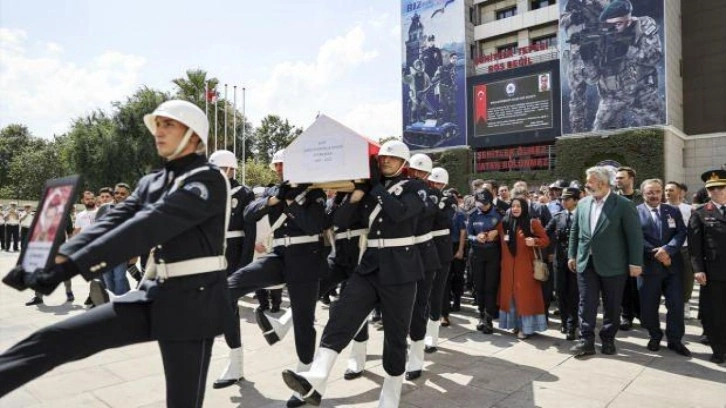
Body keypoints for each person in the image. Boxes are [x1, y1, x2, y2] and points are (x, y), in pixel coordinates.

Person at [0, 99, 232, 407]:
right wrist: (57, 259)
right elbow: (112, 221)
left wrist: (70, 267)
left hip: (194, 303)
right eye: (157, 125)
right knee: (54, 339)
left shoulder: (208, 179)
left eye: (169, 125)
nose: (159, 132)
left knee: (182, 402)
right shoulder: (153, 181)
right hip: (152, 294)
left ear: (194, 135)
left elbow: (148, 225)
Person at [281, 141, 425, 407]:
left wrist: (376, 188)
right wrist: (357, 193)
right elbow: (340, 222)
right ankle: (316, 376)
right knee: (340, 315)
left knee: (395, 335)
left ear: (404, 163)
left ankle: (390, 396)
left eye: (392, 158)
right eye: (382, 158)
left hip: (401, 269)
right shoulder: (369, 190)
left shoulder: (416, 188)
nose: (386, 161)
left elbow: (400, 213)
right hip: (369, 264)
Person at [223, 149, 328, 407]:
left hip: (306, 258)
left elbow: (314, 226)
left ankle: (304, 379)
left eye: (285, 165)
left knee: (304, 322)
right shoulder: (273, 191)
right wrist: (273, 200)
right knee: (229, 287)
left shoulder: (314, 192)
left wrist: (292, 203)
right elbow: (249, 213)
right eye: (278, 165)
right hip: (279, 255)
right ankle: (239, 355)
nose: (281, 169)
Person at [568, 166, 643, 357]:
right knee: (586, 302)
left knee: (612, 304)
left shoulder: (623, 204)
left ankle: (608, 339)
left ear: (601, 182)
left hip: (614, 264)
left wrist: (635, 262)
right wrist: (572, 255)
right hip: (586, 262)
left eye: (589, 181)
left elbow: (634, 236)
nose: (586, 184)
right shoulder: (583, 204)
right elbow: (575, 231)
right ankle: (586, 340)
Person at [208, 149, 257, 390]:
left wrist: (244, 267)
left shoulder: (244, 194)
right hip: (211, 260)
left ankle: (235, 364)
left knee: (228, 311)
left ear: (230, 169)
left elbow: (251, 234)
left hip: (233, 258)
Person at [583, 0, 665, 130]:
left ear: (629, 18)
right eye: (610, 25)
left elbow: (654, 56)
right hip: (612, 96)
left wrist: (628, 50)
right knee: (597, 138)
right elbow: (592, 79)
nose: (614, 29)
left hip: (642, 92)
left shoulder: (643, 25)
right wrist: (587, 60)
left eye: (618, 24)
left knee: (655, 131)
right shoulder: (601, 38)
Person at [636, 179, 690, 356]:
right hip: (649, 268)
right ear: (643, 194)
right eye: (650, 192)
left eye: (657, 191)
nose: (654, 195)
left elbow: (681, 232)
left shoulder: (672, 210)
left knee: (676, 305)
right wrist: (657, 253)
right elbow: (635, 238)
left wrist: (668, 250)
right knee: (649, 307)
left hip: (672, 266)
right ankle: (655, 336)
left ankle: (675, 340)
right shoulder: (635, 212)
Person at [497, 197, 550, 339]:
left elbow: (546, 240)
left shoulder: (532, 222)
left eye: (518, 206)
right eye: (513, 206)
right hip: (508, 269)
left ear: (524, 208)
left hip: (526, 268)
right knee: (512, 297)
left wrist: (535, 241)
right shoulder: (504, 223)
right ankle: (515, 325)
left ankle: (526, 329)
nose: (515, 209)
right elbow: (495, 235)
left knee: (525, 298)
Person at [688, 169, 726, 364]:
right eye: (712, 189)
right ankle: (718, 349)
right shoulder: (701, 213)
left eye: (720, 187)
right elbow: (695, 247)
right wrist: (698, 269)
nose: (716, 191)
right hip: (714, 273)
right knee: (715, 314)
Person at [424, 167, 457, 352]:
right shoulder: (426, 197)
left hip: (440, 250)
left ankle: (432, 336)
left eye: (437, 183)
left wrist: (432, 201)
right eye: (432, 183)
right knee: (421, 293)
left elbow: (444, 220)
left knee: (436, 293)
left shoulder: (449, 200)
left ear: (443, 184)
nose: (434, 186)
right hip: (424, 247)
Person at [546, 187, 581, 340]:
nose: (563, 202)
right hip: (560, 261)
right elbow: (545, 232)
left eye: (567, 199)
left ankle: (572, 324)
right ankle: (564, 322)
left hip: (576, 261)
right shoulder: (558, 216)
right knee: (560, 292)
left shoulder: (582, 216)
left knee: (574, 294)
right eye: (562, 199)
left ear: (575, 200)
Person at [466, 189, 502, 334]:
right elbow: (469, 234)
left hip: (493, 253)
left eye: (484, 204)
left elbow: (505, 232)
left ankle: (489, 318)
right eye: (479, 203)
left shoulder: (499, 214)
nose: (482, 206)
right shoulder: (473, 214)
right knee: (478, 286)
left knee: (490, 286)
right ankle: (481, 314)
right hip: (476, 253)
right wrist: (476, 238)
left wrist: (497, 234)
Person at [615, 166, 643, 331]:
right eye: (617, 178)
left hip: (640, 245)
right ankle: (626, 316)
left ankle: (642, 314)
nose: (617, 181)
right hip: (620, 247)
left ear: (631, 179)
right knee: (624, 284)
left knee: (640, 283)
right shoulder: (613, 197)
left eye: (621, 178)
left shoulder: (641, 197)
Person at [665, 181, 695, 319]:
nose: (668, 193)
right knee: (667, 278)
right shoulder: (661, 208)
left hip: (684, 248)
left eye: (671, 190)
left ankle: (685, 303)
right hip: (666, 250)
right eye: (666, 190)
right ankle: (670, 302)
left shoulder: (689, 209)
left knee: (687, 278)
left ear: (679, 192)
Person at [442, 188, 466, 326]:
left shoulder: (459, 214)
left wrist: (461, 250)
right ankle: (446, 306)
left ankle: (457, 301)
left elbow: (463, 232)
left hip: (456, 246)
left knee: (457, 276)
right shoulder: (442, 213)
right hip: (445, 246)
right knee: (445, 279)